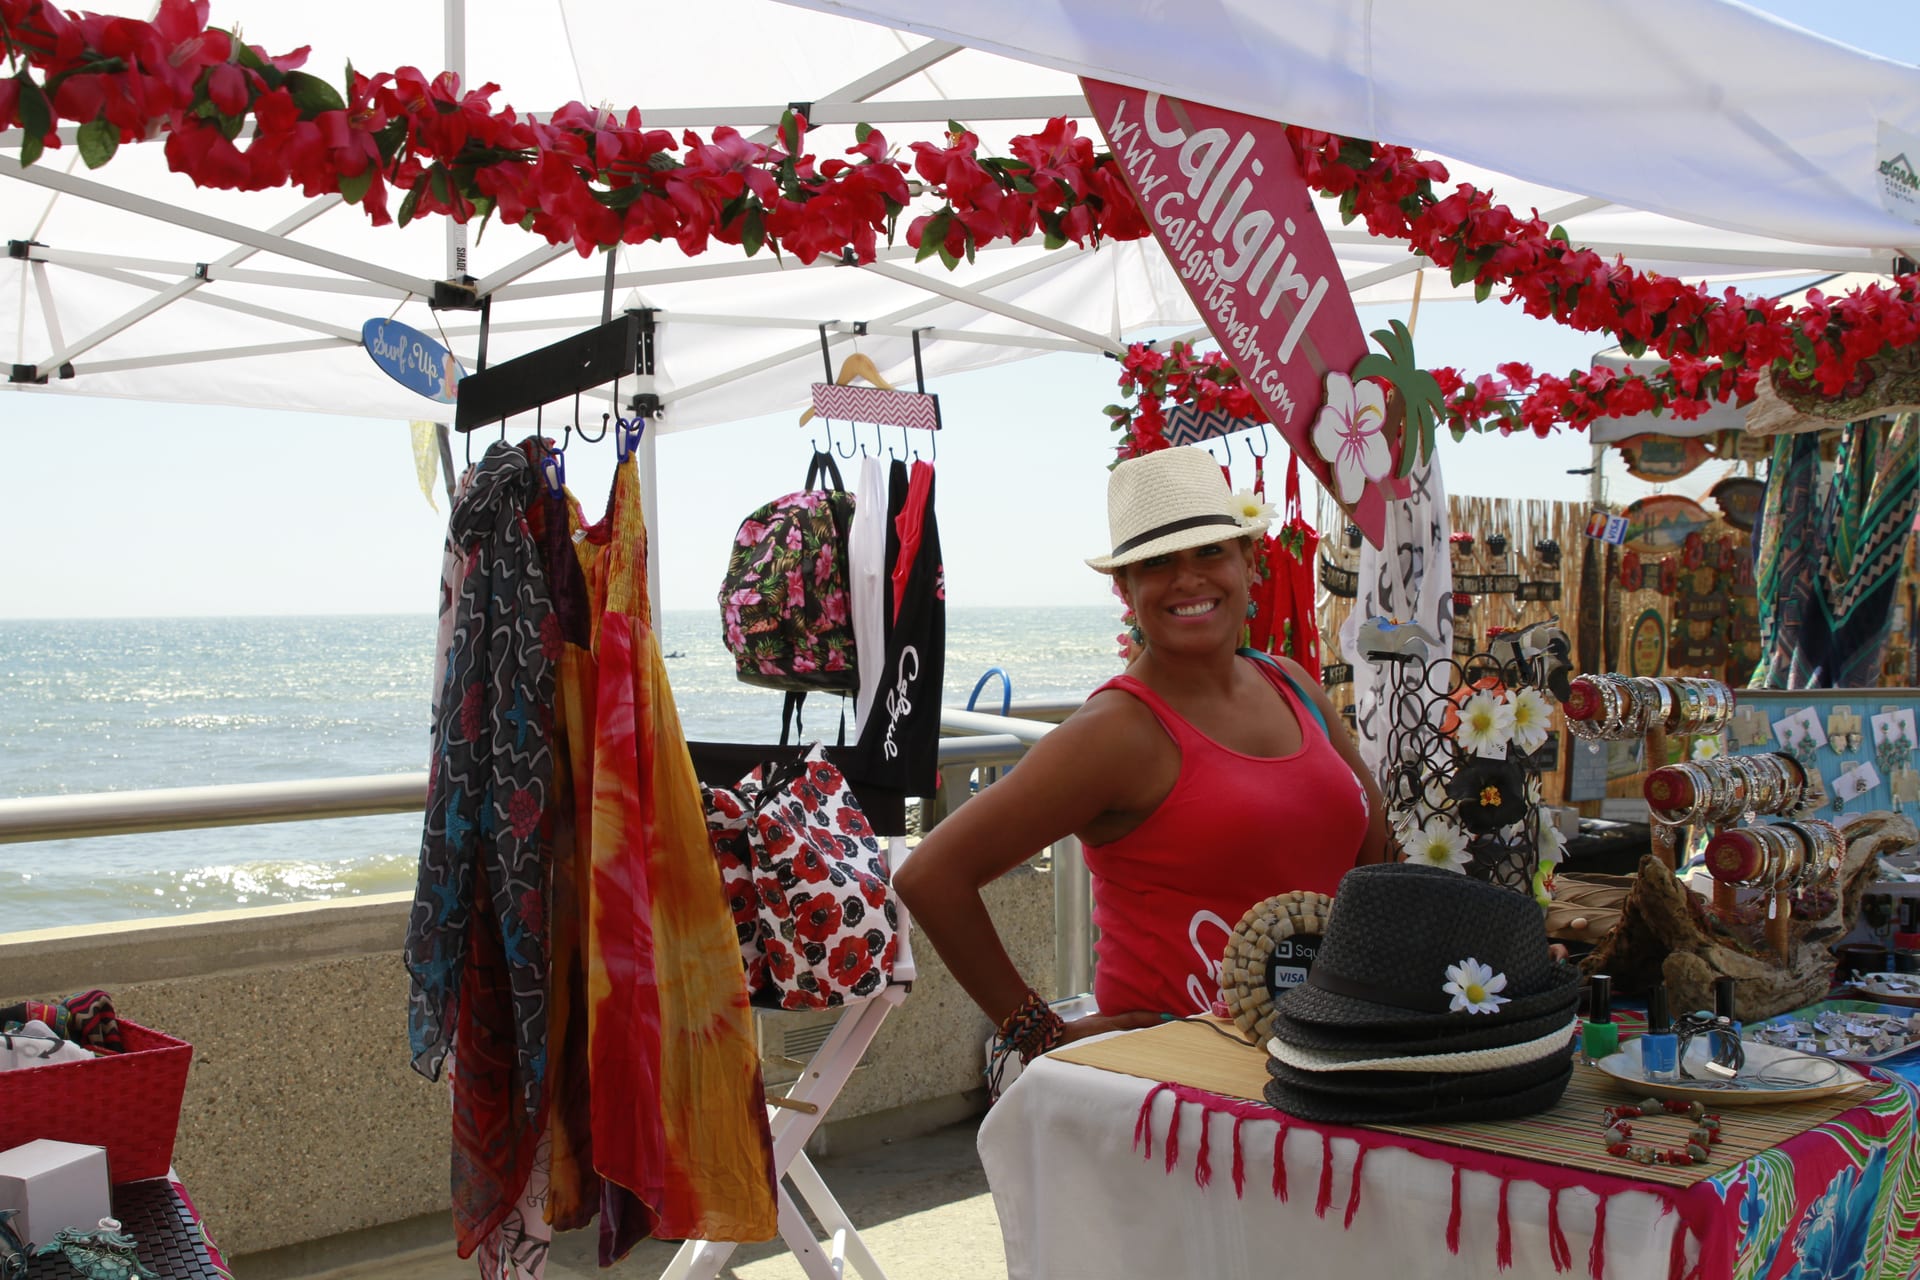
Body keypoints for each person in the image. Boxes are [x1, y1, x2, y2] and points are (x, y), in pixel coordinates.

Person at [892, 446, 1389, 1070]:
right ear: (1125, 587)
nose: (1188, 579)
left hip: (1332, 1057)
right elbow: (928, 876)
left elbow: (1375, 845)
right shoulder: (1117, 731)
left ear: (1249, 563)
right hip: (1184, 1089)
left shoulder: (1291, 683)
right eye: (1157, 563)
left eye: (1210, 551)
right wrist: (1041, 1035)